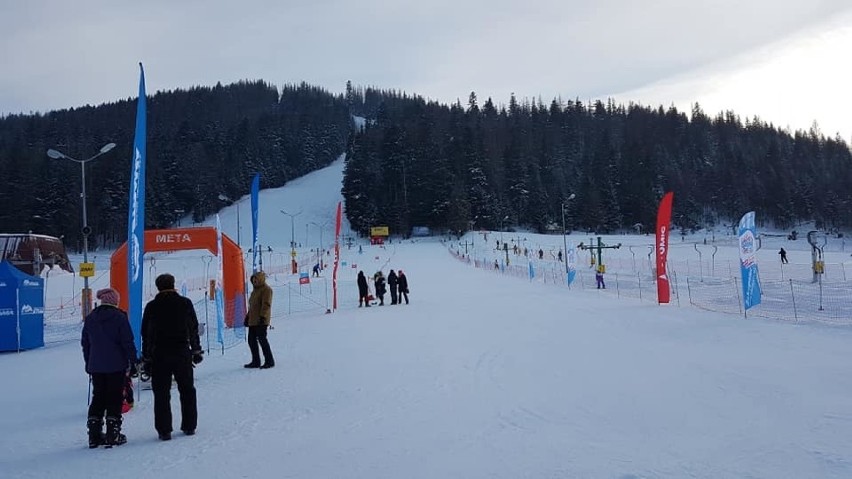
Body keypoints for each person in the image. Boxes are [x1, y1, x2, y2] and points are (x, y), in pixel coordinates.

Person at [141, 273, 204, 441]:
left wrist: (146, 358)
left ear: (158, 287)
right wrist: (196, 350)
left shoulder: (152, 307)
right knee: (187, 390)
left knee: (161, 393)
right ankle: (189, 425)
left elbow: (146, 334)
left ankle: (164, 430)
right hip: (182, 351)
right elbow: (193, 328)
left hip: (159, 354)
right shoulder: (185, 303)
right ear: (173, 284)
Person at [81, 288, 137, 448]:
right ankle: (113, 433)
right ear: (114, 301)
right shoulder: (120, 317)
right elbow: (127, 341)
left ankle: (94, 434)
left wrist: (89, 362)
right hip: (116, 365)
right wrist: (133, 361)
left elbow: (85, 343)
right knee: (114, 396)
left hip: (96, 365)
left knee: (98, 397)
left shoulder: (91, 318)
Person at [243, 271, 275, 369]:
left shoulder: (266, 290)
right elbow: (252, 306)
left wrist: (263, 317)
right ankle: (255, 361)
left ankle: (269, 361)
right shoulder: (254, 291)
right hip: (253, 320)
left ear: (261, 279)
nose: (254, 281)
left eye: (256, 280)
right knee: (251, 340)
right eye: (253, 280)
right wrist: (247, 317)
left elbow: (266, 304)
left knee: (262, 340)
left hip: (261, 320)